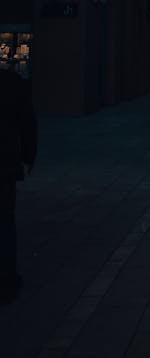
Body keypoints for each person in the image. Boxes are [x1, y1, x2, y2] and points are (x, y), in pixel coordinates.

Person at [0, 61, 37, 305]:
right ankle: (6, 282)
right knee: (4, 222)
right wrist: (29, 155)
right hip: (5, 164)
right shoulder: (12, 83)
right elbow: (27, 123)